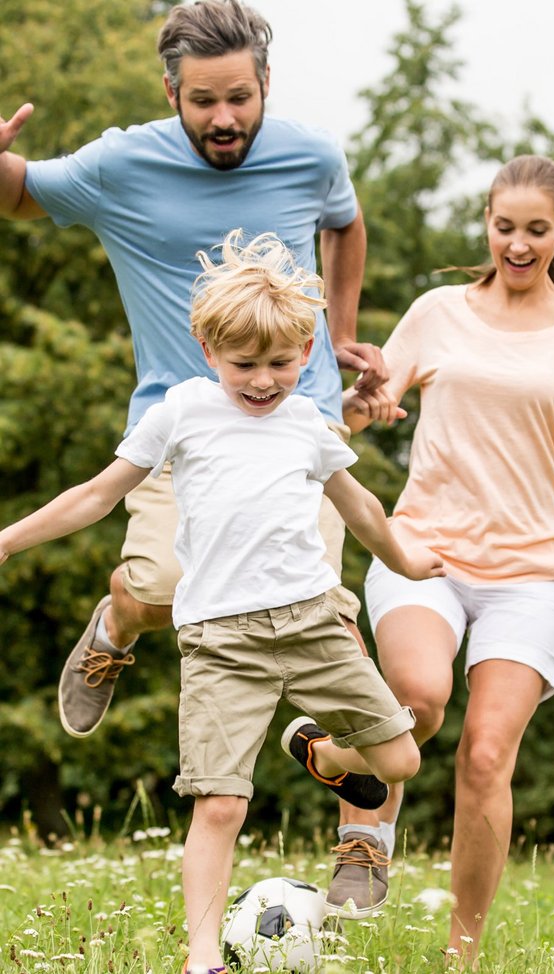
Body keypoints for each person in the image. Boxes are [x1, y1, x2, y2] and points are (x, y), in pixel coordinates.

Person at [0, 230, 446, 974]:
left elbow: (361, 507)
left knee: (399, 759)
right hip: (220, 641)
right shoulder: (183, 412)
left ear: (308, 353)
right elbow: (97, 495)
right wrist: (10, 538)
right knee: (220, 804)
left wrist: (407, 557)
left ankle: (318, 748)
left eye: (281, 363)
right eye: (245, 365)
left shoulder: (308, 424)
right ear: (208, 350)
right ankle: (200, 957)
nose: (265, 381)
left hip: (313, 626)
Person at [0, 0, 387, 743]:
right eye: (203, 100)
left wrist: (338, 329)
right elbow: (17, 195)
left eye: (239, 97)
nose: (223, 118)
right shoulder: (121, 166)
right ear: (170, 91)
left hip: (299, 419)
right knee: (167, 591)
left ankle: (362, 842)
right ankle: (118, 619)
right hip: (180, 433)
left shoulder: (311, 155)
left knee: (328, 615)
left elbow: (343, 218)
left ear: (266, 82)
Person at [342, 155, 554, 967]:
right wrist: (362, 404)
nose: (517, 244)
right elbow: (370, 409)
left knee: (485, 755)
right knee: (418, 696)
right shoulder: (439, 311)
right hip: (426, 551)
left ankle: (463, 955)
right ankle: (364, 829)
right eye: (503, 226)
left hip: (532, 574)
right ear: (486, 222)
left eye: (535, 230)